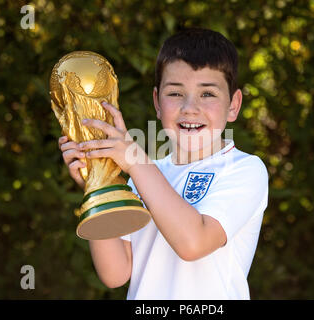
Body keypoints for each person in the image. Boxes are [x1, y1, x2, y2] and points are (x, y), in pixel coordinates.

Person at [58, 28, 269, 300]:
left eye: (207, 94)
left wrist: (135, 161)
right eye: (175, 94)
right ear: (157, 102)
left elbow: (194, 243)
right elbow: (116, 273)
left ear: (233, 105)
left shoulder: (245, 169)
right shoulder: (140, 176)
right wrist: (99, 183)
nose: (190, 107)